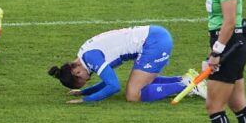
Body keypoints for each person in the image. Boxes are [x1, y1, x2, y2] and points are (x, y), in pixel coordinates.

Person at [47, 25, 204, 103]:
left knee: (133, 94)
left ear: (77, 73)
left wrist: (86, 100)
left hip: (154, 43)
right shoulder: (85, 54)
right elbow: (107, 82)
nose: (88, 79)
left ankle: (188, 84)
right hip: (155, 36)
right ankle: (185, 79)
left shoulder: (91, 58)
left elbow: (113, 86)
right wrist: (85, 92)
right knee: (138, 84)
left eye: (84, 81)